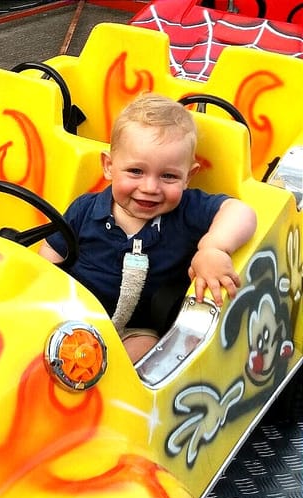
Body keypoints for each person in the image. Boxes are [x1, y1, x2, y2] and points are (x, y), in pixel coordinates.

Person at [39, 92, 257, 362]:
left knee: (146, 347)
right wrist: (45, 295)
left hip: (131, 331)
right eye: (135, 172)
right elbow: (50, 253)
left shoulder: (187, 210)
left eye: (168, 176)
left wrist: (213, 248)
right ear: (109, 166)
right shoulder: (85, 208)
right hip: (69, 316)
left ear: (189, 176)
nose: (150, 188)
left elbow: (242, 212)